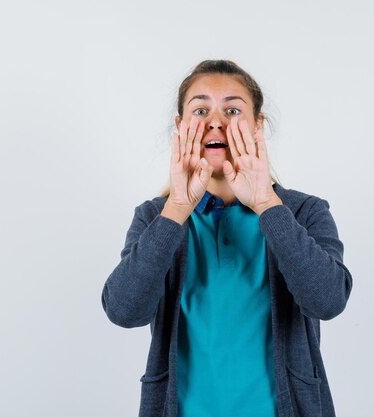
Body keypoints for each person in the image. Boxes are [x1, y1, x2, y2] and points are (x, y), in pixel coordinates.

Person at [101, 59, 353, 417]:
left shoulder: (303, 211)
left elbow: (328, 301)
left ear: (257, 126)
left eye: (233, 109)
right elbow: (124, 311)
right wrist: (176, 208)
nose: (215, 121)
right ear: (180, 126)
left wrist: (267, 203)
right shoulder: (156, 217)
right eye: (200, 109)